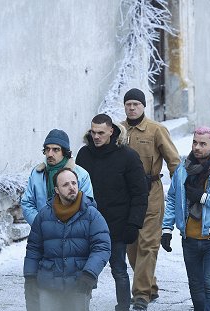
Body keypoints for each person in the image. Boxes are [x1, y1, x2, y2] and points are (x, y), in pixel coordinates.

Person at [161, 126, 210, 311]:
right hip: (189, 237)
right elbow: (172, 198)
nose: (197, 147)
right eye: (195, 142)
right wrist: (166, 229)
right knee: (195, 286)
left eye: (203, 144)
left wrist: (203, 198)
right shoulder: (182, 169)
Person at [76, 113, 148, 311]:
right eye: (93, 132)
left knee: (119, 269)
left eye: (100, 132)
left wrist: (134, 223)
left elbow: (140, 193)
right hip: (88, 225)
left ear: (111, 131)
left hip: (117, 225)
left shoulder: (128, 156)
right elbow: (77, 189)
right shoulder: (84, 154)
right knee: (86, 271)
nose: (96, 136)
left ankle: (123, 307)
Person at [121, 88, 181, 310]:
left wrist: (179, 190)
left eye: (136, 104)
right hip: (126, 196)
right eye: (128, 104)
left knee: (148, 244)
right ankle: (150, 286)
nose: (132, 107)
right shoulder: (118, 130)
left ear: (144, 106)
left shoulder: (156, 130)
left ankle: (141, 295)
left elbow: (174, 161)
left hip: (151, 193)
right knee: (132, 246)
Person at [23, 168, 111, 311]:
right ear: (56, 190)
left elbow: (102, 247)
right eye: (65, 185)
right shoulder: (44, 215)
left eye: (74, 183)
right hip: (48, 283)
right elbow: (34, 248)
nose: (71, 188)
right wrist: (30, 277)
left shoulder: (91, 214)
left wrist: (89, 273)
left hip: (79, 283)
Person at [21, 129, 94, 225]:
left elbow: (87, 206)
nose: (50, 154)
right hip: (44, 232)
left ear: (65, 152)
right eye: (47, 149)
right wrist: (40, 224)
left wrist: (67, 228)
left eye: (56, 149)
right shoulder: (37, 173)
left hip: (71, 233)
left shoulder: (81, 175)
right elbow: (27, 203)